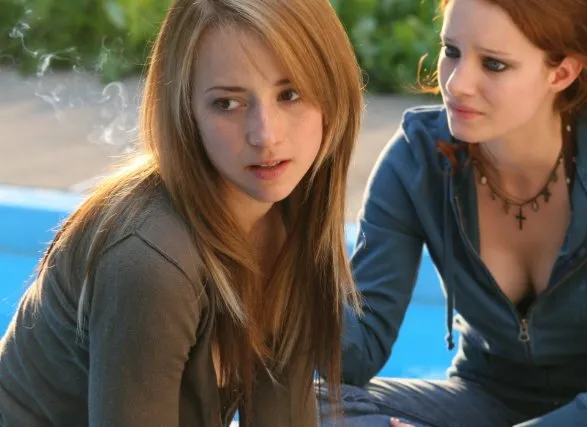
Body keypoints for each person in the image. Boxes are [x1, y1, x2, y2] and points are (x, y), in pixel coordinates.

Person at [0, 0, 363, 426]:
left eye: (290, 94)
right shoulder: (150, 259)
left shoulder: (291, 221)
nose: (265, 135)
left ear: (334, 92)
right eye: (227, 103)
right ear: (184, 111)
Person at [321, 0, 587, 426]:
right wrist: (285, 236)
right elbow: (354, 356)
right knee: (304, 406)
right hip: (485, 399)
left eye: (494, 64)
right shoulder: (418, 160)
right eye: (451, 51)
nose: (457, 84)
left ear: (562, 73)